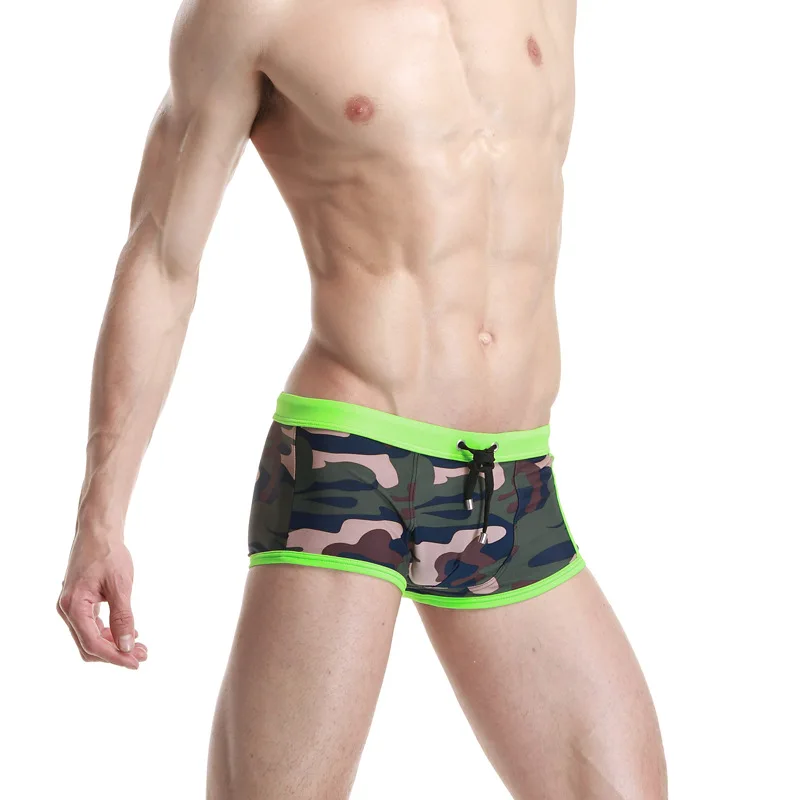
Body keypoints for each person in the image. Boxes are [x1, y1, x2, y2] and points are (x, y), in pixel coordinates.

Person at [57, 0, 668, 796]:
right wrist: (100, 518)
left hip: (511, 483)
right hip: (353, 463)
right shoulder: (255, 11)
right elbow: (162, 258)